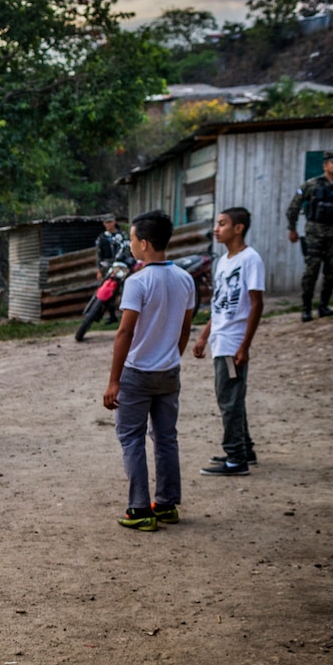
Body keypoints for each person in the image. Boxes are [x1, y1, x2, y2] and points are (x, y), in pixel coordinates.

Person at [102, 209, 197, 531]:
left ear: (143, 244)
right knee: (166, 438)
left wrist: (114, 381)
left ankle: (139, 508)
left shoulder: (137, 282)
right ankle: (167, 504)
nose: (130, 244)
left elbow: (124, 333)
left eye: (131, 239)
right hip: (169, 371)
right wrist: (172, 356)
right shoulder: (185, 278)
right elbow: (185, 328)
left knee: (131, 438)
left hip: (138, 373)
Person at [192, 206, 264, 476]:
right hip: (219, 339)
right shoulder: (223, 261)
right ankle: (244, 449)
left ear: (238, 228)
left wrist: (244, 345)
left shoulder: (250, 259)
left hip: (233, 341)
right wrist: (203, 335)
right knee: (233, 397)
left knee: (229, 399)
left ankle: (236, 459)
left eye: (222, 223)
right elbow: (219, 305)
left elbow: (256, 304)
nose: (216, 228)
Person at [286, 151, 333, 322]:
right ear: (325, 165)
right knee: (311, 271)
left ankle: (324, 305)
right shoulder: (311, 185)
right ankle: (306, 308)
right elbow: (293, 207)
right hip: (315, 233)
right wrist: (292, 228)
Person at [93, 214, 131, 325]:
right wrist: (99, 269)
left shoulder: (123, 235)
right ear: (104, 224)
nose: (109, 224)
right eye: (107, 222)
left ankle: (125, 314)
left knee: (124, 288)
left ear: (114, 222)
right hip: (106, 266)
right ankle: (111, 315)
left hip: (121, 265)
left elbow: (128, 250)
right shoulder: (102, 238)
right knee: (108, 290)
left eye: (111, 222)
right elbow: (98, 254)